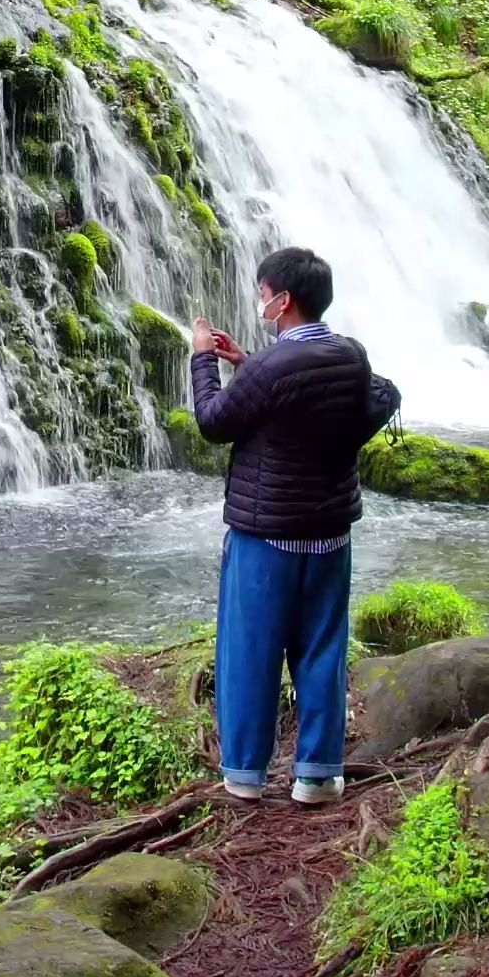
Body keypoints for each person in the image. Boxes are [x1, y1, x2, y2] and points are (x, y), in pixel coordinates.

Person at [189, 245, 401, 808]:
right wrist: (248, 365)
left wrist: (203, 361)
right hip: (330, 533)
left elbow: (213, 423)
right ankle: (318, 776)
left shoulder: (271, 367)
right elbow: (378, 395)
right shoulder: (349, 354)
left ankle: (244, 775)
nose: (259, 300)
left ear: (282, 301)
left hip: (267, 538)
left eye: (262, 293)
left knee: (250, 652)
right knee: (321, 651)